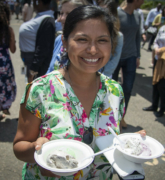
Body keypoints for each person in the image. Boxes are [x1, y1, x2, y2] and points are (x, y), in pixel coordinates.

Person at [13, 5, 146, 180]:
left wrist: (128, 145)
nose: (92, 50)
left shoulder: (115, 91)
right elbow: (19, 146)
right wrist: (36, 153)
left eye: (102, 40)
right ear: (65, 43)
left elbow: (112, 138)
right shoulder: (41, 89)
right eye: (82, 39)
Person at [112, 0, 144, 128]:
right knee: (112, 89)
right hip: (116, 56)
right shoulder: (117, 13)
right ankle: (111, 116)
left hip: (131, 56)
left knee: (128, 89)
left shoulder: (137, 15)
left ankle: (121, 117)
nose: (143, 2)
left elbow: (137, 37)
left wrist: (138, 55)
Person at [47, 0, 88, 74]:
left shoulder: (88, 45)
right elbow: (50, 70)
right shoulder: (59, 39)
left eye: (68, 14)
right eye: (61, 13)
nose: (62, 18)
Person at [19, 0, 55, 83]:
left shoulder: (48, 21)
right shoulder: (41, 16)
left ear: (39, 2)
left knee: (32, 86)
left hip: (33, 61)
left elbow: (43, 47)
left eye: (34, 2)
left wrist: (33, 69)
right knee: (28, 84)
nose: (33, 4)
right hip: (28, 59)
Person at [0, 2, 16, 120]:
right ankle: (5, 106)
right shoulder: (8, 30)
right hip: (5, 62)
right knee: (6, 84)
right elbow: (13, 49)